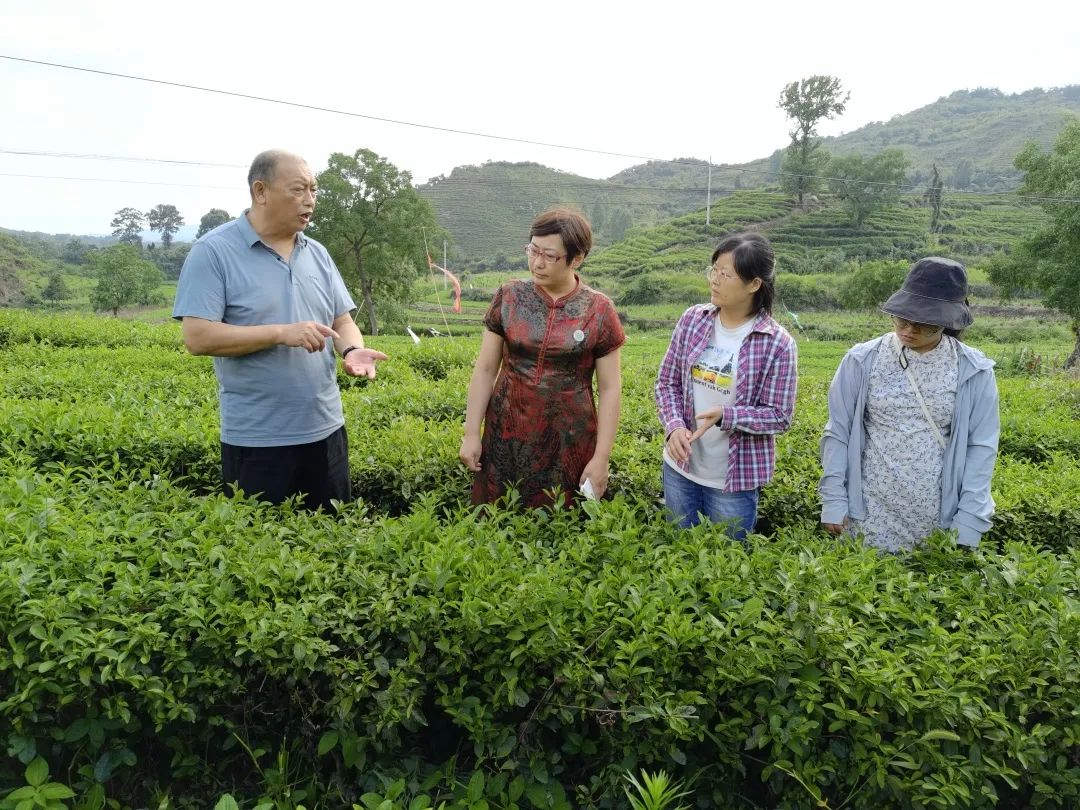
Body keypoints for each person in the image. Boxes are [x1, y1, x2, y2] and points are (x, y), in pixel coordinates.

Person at [172, 149, 387, 510]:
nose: (310, 200)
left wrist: (351, 350)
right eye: (299, 190)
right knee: (261, 555)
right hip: (257, 442)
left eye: (314, 190)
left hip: (326, 431)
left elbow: (342, 320)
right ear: (261, 191)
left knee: (332, 548)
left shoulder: (317, 253)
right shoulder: (213, 252)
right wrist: (279, 333)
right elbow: (197, 337)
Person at [819, 257, 1000, 551]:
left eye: (924, 324)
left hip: (938, 517)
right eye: (902, 318)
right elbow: (837, 432)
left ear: (947, 321)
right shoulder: (861, 360)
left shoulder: (973, 370)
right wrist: (834, 501)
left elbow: (981, 448)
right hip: (868, 511)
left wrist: (969, 522)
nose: (909, 330)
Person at [459, 207, 625, 508]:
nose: (537, 263)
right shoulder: (509, 296)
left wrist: (601, 458)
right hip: (505, 436)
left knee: (562, 529)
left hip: (569, 442)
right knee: (500, 520)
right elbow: (485, 369)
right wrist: (472, 432)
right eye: (532, 250)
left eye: (550, 256)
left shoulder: (599, 310)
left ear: (577, 259)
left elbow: (611, 388)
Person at [655, 232, 797, 539]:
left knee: (727, 567)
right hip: (681, 469)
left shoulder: (777, 344)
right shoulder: (694, 319)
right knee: (680, 555)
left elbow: (779, 416)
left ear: (754, 284)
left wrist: (728, 415)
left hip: (732, 481)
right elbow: (666, 383)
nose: (714, 280)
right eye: (713, 270)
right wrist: (674, 426)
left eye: (725, 274)